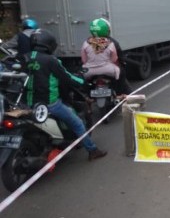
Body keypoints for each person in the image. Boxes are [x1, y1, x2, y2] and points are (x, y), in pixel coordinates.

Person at [23, 29, 107, 161]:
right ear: (48, 44)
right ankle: (92, 150)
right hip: (50, 104)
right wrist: (82, 81)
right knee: (78, 124)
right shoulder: (51, 60)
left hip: (28, 104)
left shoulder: (25, 57)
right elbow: (67, 78)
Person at [81, 18, 131, 97]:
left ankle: (88, 96)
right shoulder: (111, 43)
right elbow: (114, 59)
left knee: (82, 80)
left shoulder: (86, 43)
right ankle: (120, 94)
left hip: (89, 72)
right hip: (108, 70)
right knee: (122, 73)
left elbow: (84, 60)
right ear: (106, 30)